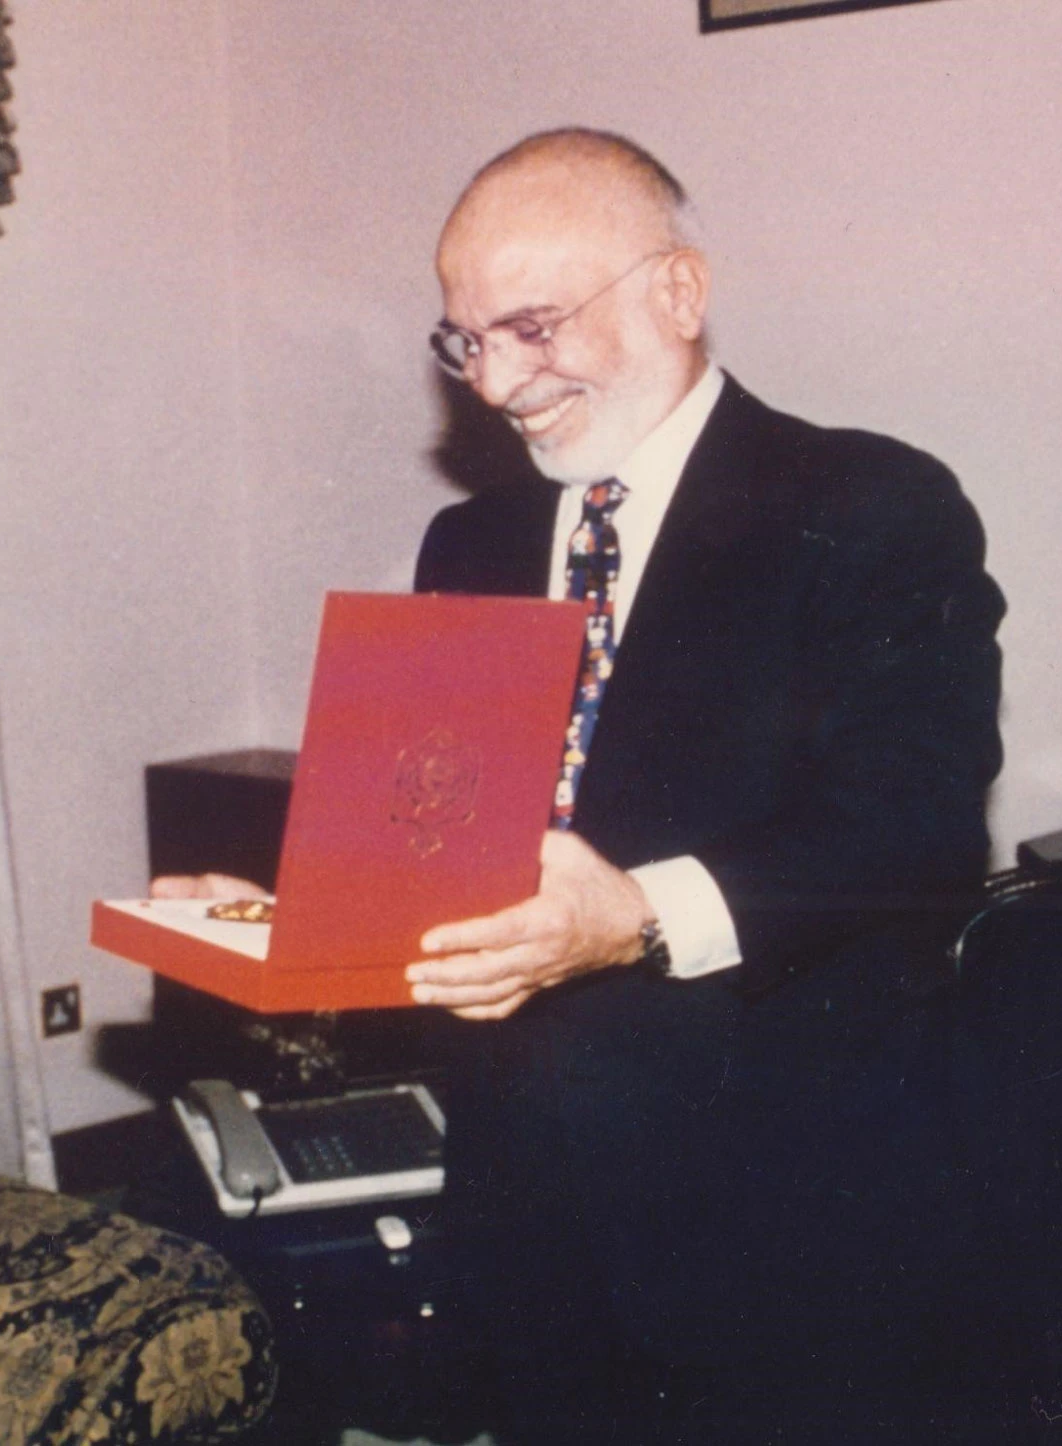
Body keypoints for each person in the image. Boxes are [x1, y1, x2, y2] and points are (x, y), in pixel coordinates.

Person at [404, 129, 1005, 1436]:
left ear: (676, 291)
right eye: (467, 342)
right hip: (533, 1210)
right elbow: (442, 836)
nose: (497, 383)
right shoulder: (469, 540)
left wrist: (636, 915)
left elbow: (913, 827)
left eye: (532, 328)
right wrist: (287, 907)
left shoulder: (870, 504)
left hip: (786, 1210)